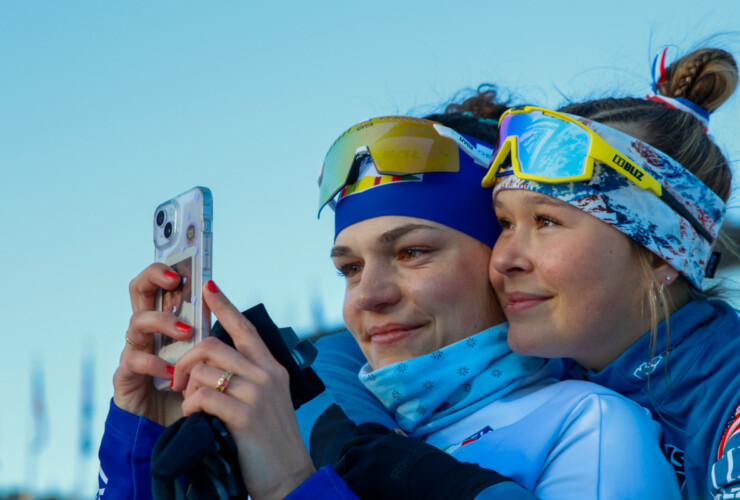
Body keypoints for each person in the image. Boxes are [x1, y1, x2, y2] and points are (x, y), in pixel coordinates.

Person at [97, 111, 681, 499]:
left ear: (497, 259)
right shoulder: (307, 421)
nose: (369, 296)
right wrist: (140, 435)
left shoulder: (590, 428)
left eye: (413, 252)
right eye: (349, 268)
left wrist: (294, 486)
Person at [303, 46, 740, 500]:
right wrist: (353, 441)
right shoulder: (573, 358)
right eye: (506, 224)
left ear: (661, 253)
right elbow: (337, 353)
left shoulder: (720, 395)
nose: (504, 257)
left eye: (546, 222)